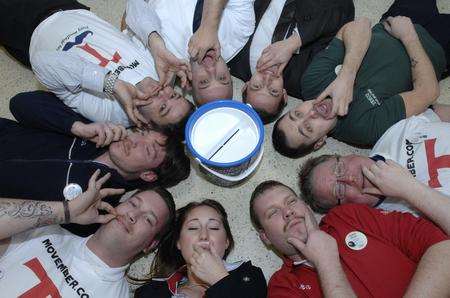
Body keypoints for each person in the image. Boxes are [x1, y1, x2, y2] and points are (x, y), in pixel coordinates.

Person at [273, 0, 450, 157]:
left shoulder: (311, 83)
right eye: (309, 128)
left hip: (394, 22)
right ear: (320, 142)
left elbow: (360, 25)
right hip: (436, 47)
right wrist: (408, 36)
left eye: (297, 113)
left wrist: (347, 76)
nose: (311, 113)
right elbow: (428, 92)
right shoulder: (361, 129)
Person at [0, 91, 190, 236]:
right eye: (141, 134)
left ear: (148, 174)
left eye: (147, 149)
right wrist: (77, 127)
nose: (134, 140)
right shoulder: (90, 127)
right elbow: (19, 103)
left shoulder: (98, 208)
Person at [0, 0, 195, 135]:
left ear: (146, 125)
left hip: (25, 27)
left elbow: (42, 63)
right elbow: (135, 5)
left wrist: (111, 83)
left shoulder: (108, 112)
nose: (163, 93)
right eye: (173, 95)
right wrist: (155, 42)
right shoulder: (160, 69)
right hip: (67, 7)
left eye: (162, 107)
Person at [249, 180, 450, 297]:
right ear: (265, 237)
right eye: (273, 213)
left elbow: (443, 246)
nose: (288, 212)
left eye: (291, 201)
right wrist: (326, 262)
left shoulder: (349, 216)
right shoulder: (283, 288)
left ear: (307, 206)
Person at [0, 170, 176, 298]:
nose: (133, 215)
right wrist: (66, 211)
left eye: (148, 220)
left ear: (150, 244)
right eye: (133, 204)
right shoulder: (47, 232)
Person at [299, 106, 450, 214]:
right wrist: (408, 189)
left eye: (339, 169)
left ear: (343, 155)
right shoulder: (396, 221)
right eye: (340, 190)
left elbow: (438, 114)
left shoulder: (392, 136)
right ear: (345, 208)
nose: (350, 179)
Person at [229, 0, 354, 123]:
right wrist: (294, 42)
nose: (267, 79)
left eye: (256, 86)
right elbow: (343, 9)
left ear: (246, 85)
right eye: (273, 91)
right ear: (284, 95)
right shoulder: (305, 79)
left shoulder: (234, 57)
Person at [123, 0, 255, 106]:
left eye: (204, 81)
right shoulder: (239, 33)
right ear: (229, 71)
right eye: (222, 78)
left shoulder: (165, 59)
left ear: (189, 83)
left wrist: (155, 44)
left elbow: (132, 6)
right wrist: (209, 27)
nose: (211, 69)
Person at [134, 199, 267, 297]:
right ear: (178, 242)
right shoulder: (149, 293)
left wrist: (219, 279)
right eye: (193, 228)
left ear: (226, 242)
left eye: (214, 228)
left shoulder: (250, 277)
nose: (204, 235)